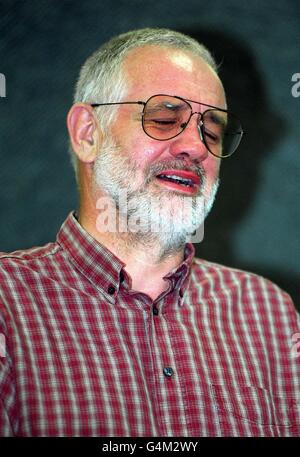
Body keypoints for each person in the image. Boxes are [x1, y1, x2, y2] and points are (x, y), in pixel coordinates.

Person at [0, 28, 299, 437]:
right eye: (163, 118)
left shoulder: (270, 315)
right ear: (88, 133)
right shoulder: (7, 304)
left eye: (212, 130)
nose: (195, 147)